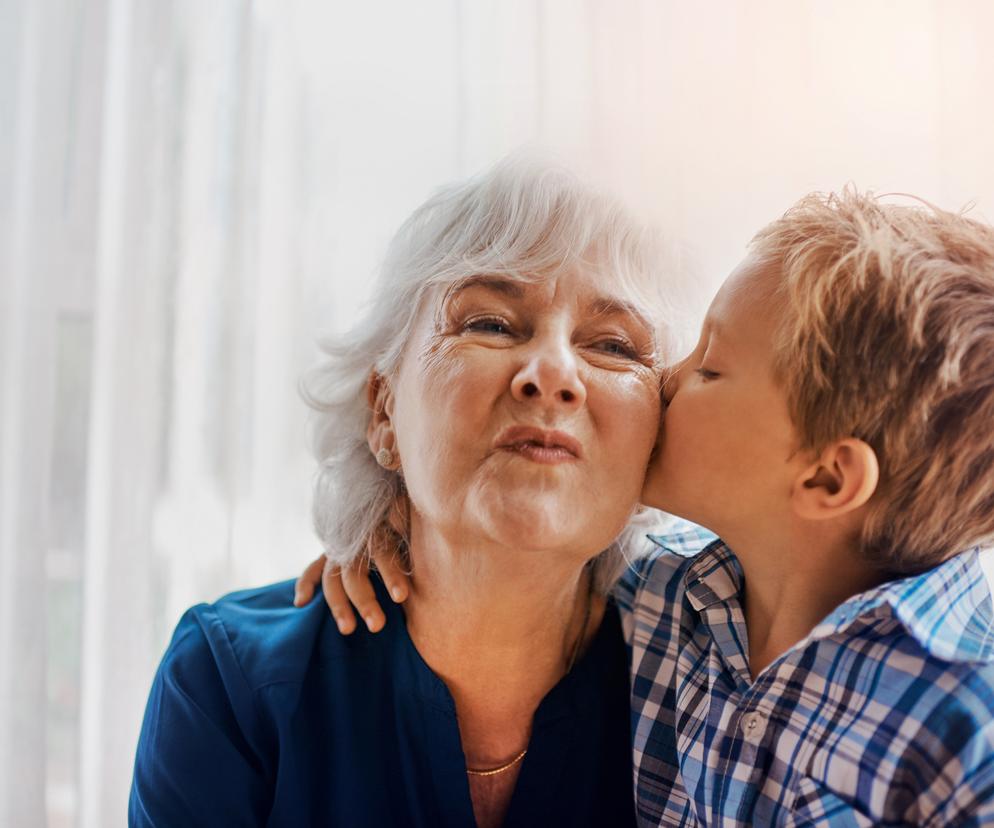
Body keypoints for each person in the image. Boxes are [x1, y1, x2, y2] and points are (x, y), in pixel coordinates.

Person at [299, 188, 994, 825]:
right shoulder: (667, 598)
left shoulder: (967, 722)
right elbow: (513, 560)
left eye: (709, 367)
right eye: (493, 325)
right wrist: (384, 526)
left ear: (826, 480)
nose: (665, 378)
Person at [129, 156, 681, 828]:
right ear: (384, 412)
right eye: (491, 324)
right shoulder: (228, 685)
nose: (553, 372)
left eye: (615, 345)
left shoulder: (699, 700)